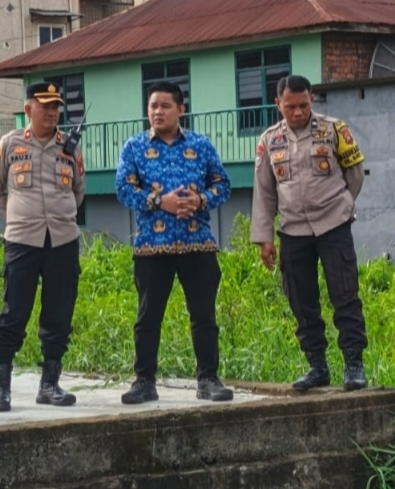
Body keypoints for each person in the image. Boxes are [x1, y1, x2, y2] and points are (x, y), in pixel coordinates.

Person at [116, 80, 233, 404]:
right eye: (153, 106)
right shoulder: (134, 147)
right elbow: (124, 190)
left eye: (165, 106)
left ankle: (208, 379)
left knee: (204, 317)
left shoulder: (201, 144)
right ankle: (144, 380)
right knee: (148, 317)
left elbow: (223, 184)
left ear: (181, 109)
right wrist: (158, 201)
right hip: (152, 246)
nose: (158, 112)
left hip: (198, 243)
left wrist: (200, 199)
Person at [250, 74, 367, 390]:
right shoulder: (269, 139)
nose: (298, 112)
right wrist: (264, 238)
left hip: (334, 226)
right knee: (301, 301)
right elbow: (264, 192)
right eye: (291, 106)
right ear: (279, 104)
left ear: (312, 100)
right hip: (293, 231)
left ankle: (354, 365)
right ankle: (317, 366)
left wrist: (340, 205)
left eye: (303, 105)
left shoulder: (333, 130)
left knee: (344, 295)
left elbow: (355, 173)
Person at [0, 81, 85, 412]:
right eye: (45, 106)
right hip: (22, 243)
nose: (52, 112)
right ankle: (2, 388)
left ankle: (50, 384)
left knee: (59, 314)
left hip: (62, 241)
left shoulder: (69, 148)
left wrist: (60, 215)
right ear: (29, 109)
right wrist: (19, 216)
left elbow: (78, 192)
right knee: (13, 313)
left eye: (56, 106)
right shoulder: (11, 143)